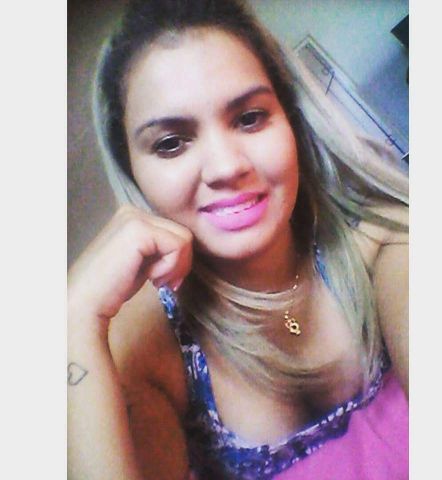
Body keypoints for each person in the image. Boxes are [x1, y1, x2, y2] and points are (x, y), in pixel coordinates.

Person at [67, 0, 409, 478]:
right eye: (170, 143)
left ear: (291, 119)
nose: (226, 166)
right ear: (132, 170)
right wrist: (73, 321)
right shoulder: (144, 345)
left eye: (249, 117)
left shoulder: (379, 243)